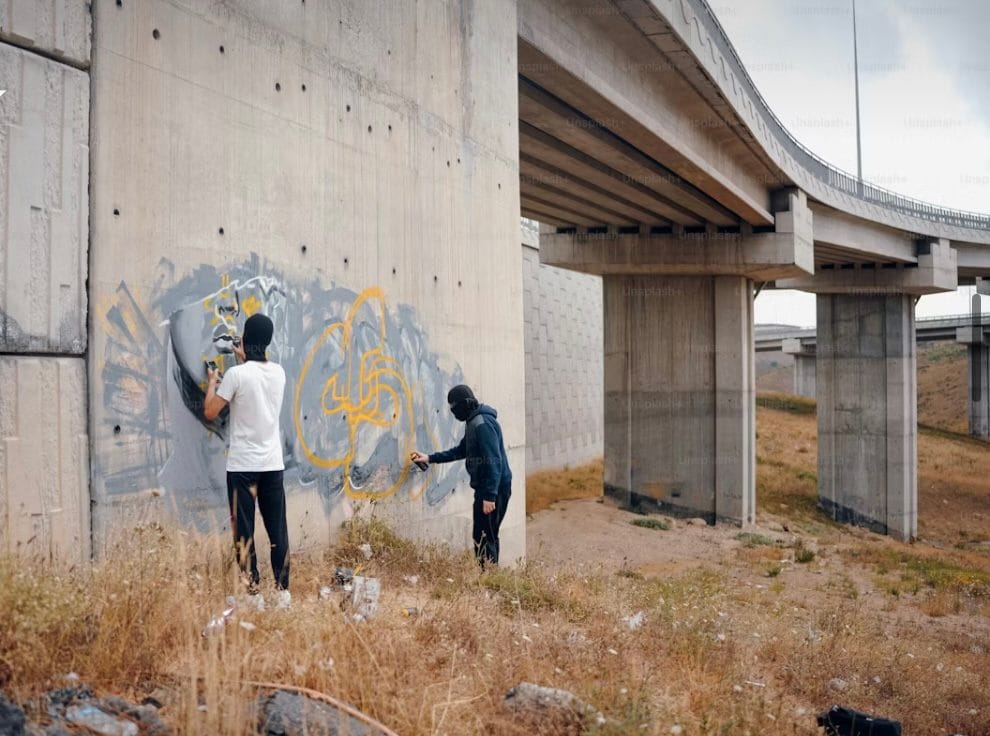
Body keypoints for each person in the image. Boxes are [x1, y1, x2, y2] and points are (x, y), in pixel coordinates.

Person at [203, 313, 291, 609]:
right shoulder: (278, 373)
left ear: (244, 338)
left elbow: (211, 412)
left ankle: (252, 595)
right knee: (277, 531)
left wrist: (212, 383)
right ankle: (282, 594)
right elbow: (256, 380)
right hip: (272, 466)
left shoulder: (235, 376)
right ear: (267, 341)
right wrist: (246, 358)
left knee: (244, 532)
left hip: (242, 467)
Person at [411, 385, 512, 566]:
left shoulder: (482, 425)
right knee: (485, 535)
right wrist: (430, 458)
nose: (454, 413)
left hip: (493, 489)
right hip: (488, 488)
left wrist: (490, 496)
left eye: (454, 408)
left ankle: (488, 577)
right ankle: (489, 575)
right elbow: (460, 450)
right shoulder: (473, 422)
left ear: (465, 404)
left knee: (484, 537)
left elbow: (494, 461)